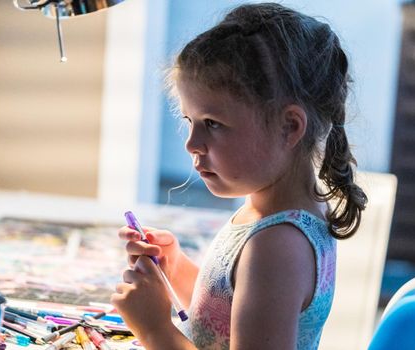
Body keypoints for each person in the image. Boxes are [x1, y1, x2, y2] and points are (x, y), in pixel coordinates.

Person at [111, 3, 367, 349]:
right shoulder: (272, 215)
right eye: (190, 122)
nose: (192, 144)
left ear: (288, 127)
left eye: (213, 124)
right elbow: (225, 319)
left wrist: (155, 328)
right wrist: (174, 266)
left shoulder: (279, 246)